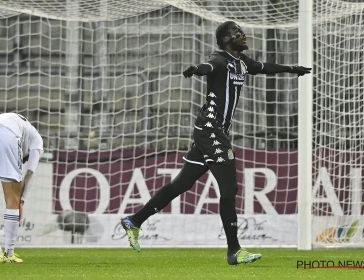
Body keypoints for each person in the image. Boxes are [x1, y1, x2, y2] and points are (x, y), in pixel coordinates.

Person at [120, 21, 311, 265]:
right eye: (237, 33)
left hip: (209, 131)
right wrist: (195, 69)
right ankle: (234, 251)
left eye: (241, 31)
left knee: (182, 184)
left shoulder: (242, 63)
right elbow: (207, 67)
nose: (243, 35)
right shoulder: (220, 60)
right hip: (211, 130)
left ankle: (134, 221)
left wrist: (291, 68)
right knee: (229, 189)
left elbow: (263, 67)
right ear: (224, 40)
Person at [0, 113, 43, 263]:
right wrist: (21, 201)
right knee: (13, 198)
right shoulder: (37, 140)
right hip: (7, 135)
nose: (23, 160)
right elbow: (30, 171)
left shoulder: (23, 128)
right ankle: (9, 253)